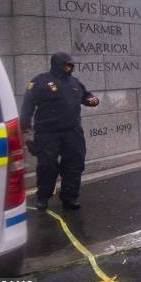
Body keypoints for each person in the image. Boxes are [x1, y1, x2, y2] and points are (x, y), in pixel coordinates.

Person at [20, 52, 99, 211]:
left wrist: (93, 100)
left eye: (71, 65)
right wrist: (27, 136)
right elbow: (27, 108)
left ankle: (69, 197)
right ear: (57, 64)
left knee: (74, 164)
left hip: (73, 132)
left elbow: (87, 96)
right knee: (47, 166)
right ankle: (43, 196)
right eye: (67, 65)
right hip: (47, 133)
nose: (70, 68)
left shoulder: (75, 82)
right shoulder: (39, 82)